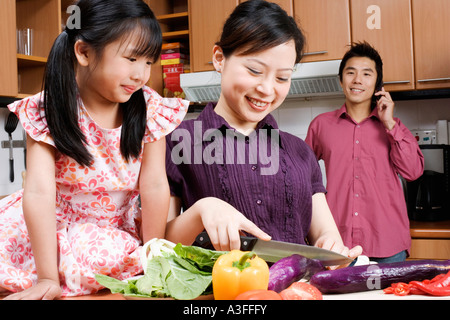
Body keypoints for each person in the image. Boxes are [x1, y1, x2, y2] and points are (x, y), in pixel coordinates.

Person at [0, 0, 188, 300]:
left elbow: (153, 185)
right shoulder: (47, 108)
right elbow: (38, 192)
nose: (141, 74)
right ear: (84, 52)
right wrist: (47, 278)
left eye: (149, 62)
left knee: (102, 254)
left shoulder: (150, 108)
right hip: (48, 228)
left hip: (107, 232)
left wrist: (154, 258)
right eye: (131, 58)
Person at [164, 0, 362, 262]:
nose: (267, 90)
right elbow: (158, 245)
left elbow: (325, 233)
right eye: (254, 70)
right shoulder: (178, 141)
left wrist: (331, 246)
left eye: (282, 78)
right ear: (219, 58)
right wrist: (202, 210)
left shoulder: (299, 151)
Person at [305, 42, 424, 263]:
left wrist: (389, 124)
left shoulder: (393, 126)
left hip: (387, 243)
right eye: (351, 73)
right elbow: (302, 178)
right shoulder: (321, 126)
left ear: (377, 84)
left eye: (366, 74)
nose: (358, 80)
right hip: (338, 243)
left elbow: (413, 171)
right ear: (341, 80)